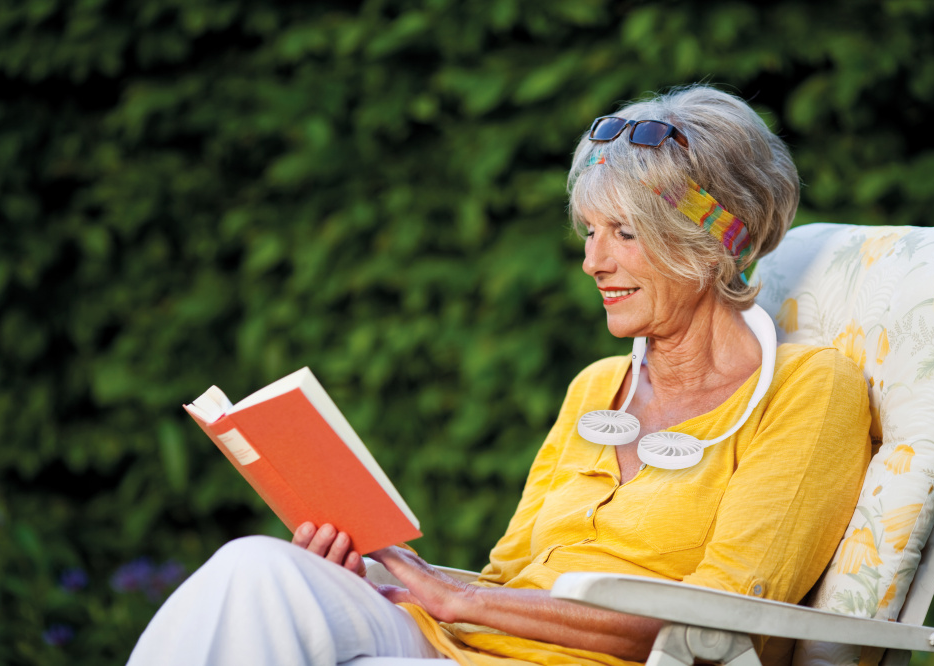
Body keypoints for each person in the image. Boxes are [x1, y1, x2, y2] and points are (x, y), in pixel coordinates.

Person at [128, 85, 870, 666]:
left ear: (709, 244)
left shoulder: (806, 389)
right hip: (469, 645)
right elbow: (504, 575)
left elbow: (718, 619)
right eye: (589, 232)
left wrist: (460, 605)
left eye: (624, 233)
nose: (592, 262)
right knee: (255, 570)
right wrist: (390, 577)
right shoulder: (597, 386)